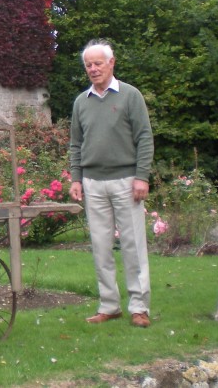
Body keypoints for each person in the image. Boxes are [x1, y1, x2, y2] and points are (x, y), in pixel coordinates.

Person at [68, 40, 154, 328]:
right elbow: (75, 145)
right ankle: (109, 305)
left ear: (111, 63)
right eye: (88, 65)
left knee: (133, 246)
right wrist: (76, 179)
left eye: (98, 63)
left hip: (126, 181)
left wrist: (142, 176)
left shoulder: (130, 96)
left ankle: (139, 307)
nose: (93, 69)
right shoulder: (82, 102)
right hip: (93, 183)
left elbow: (144, 138)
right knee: (101, 247)